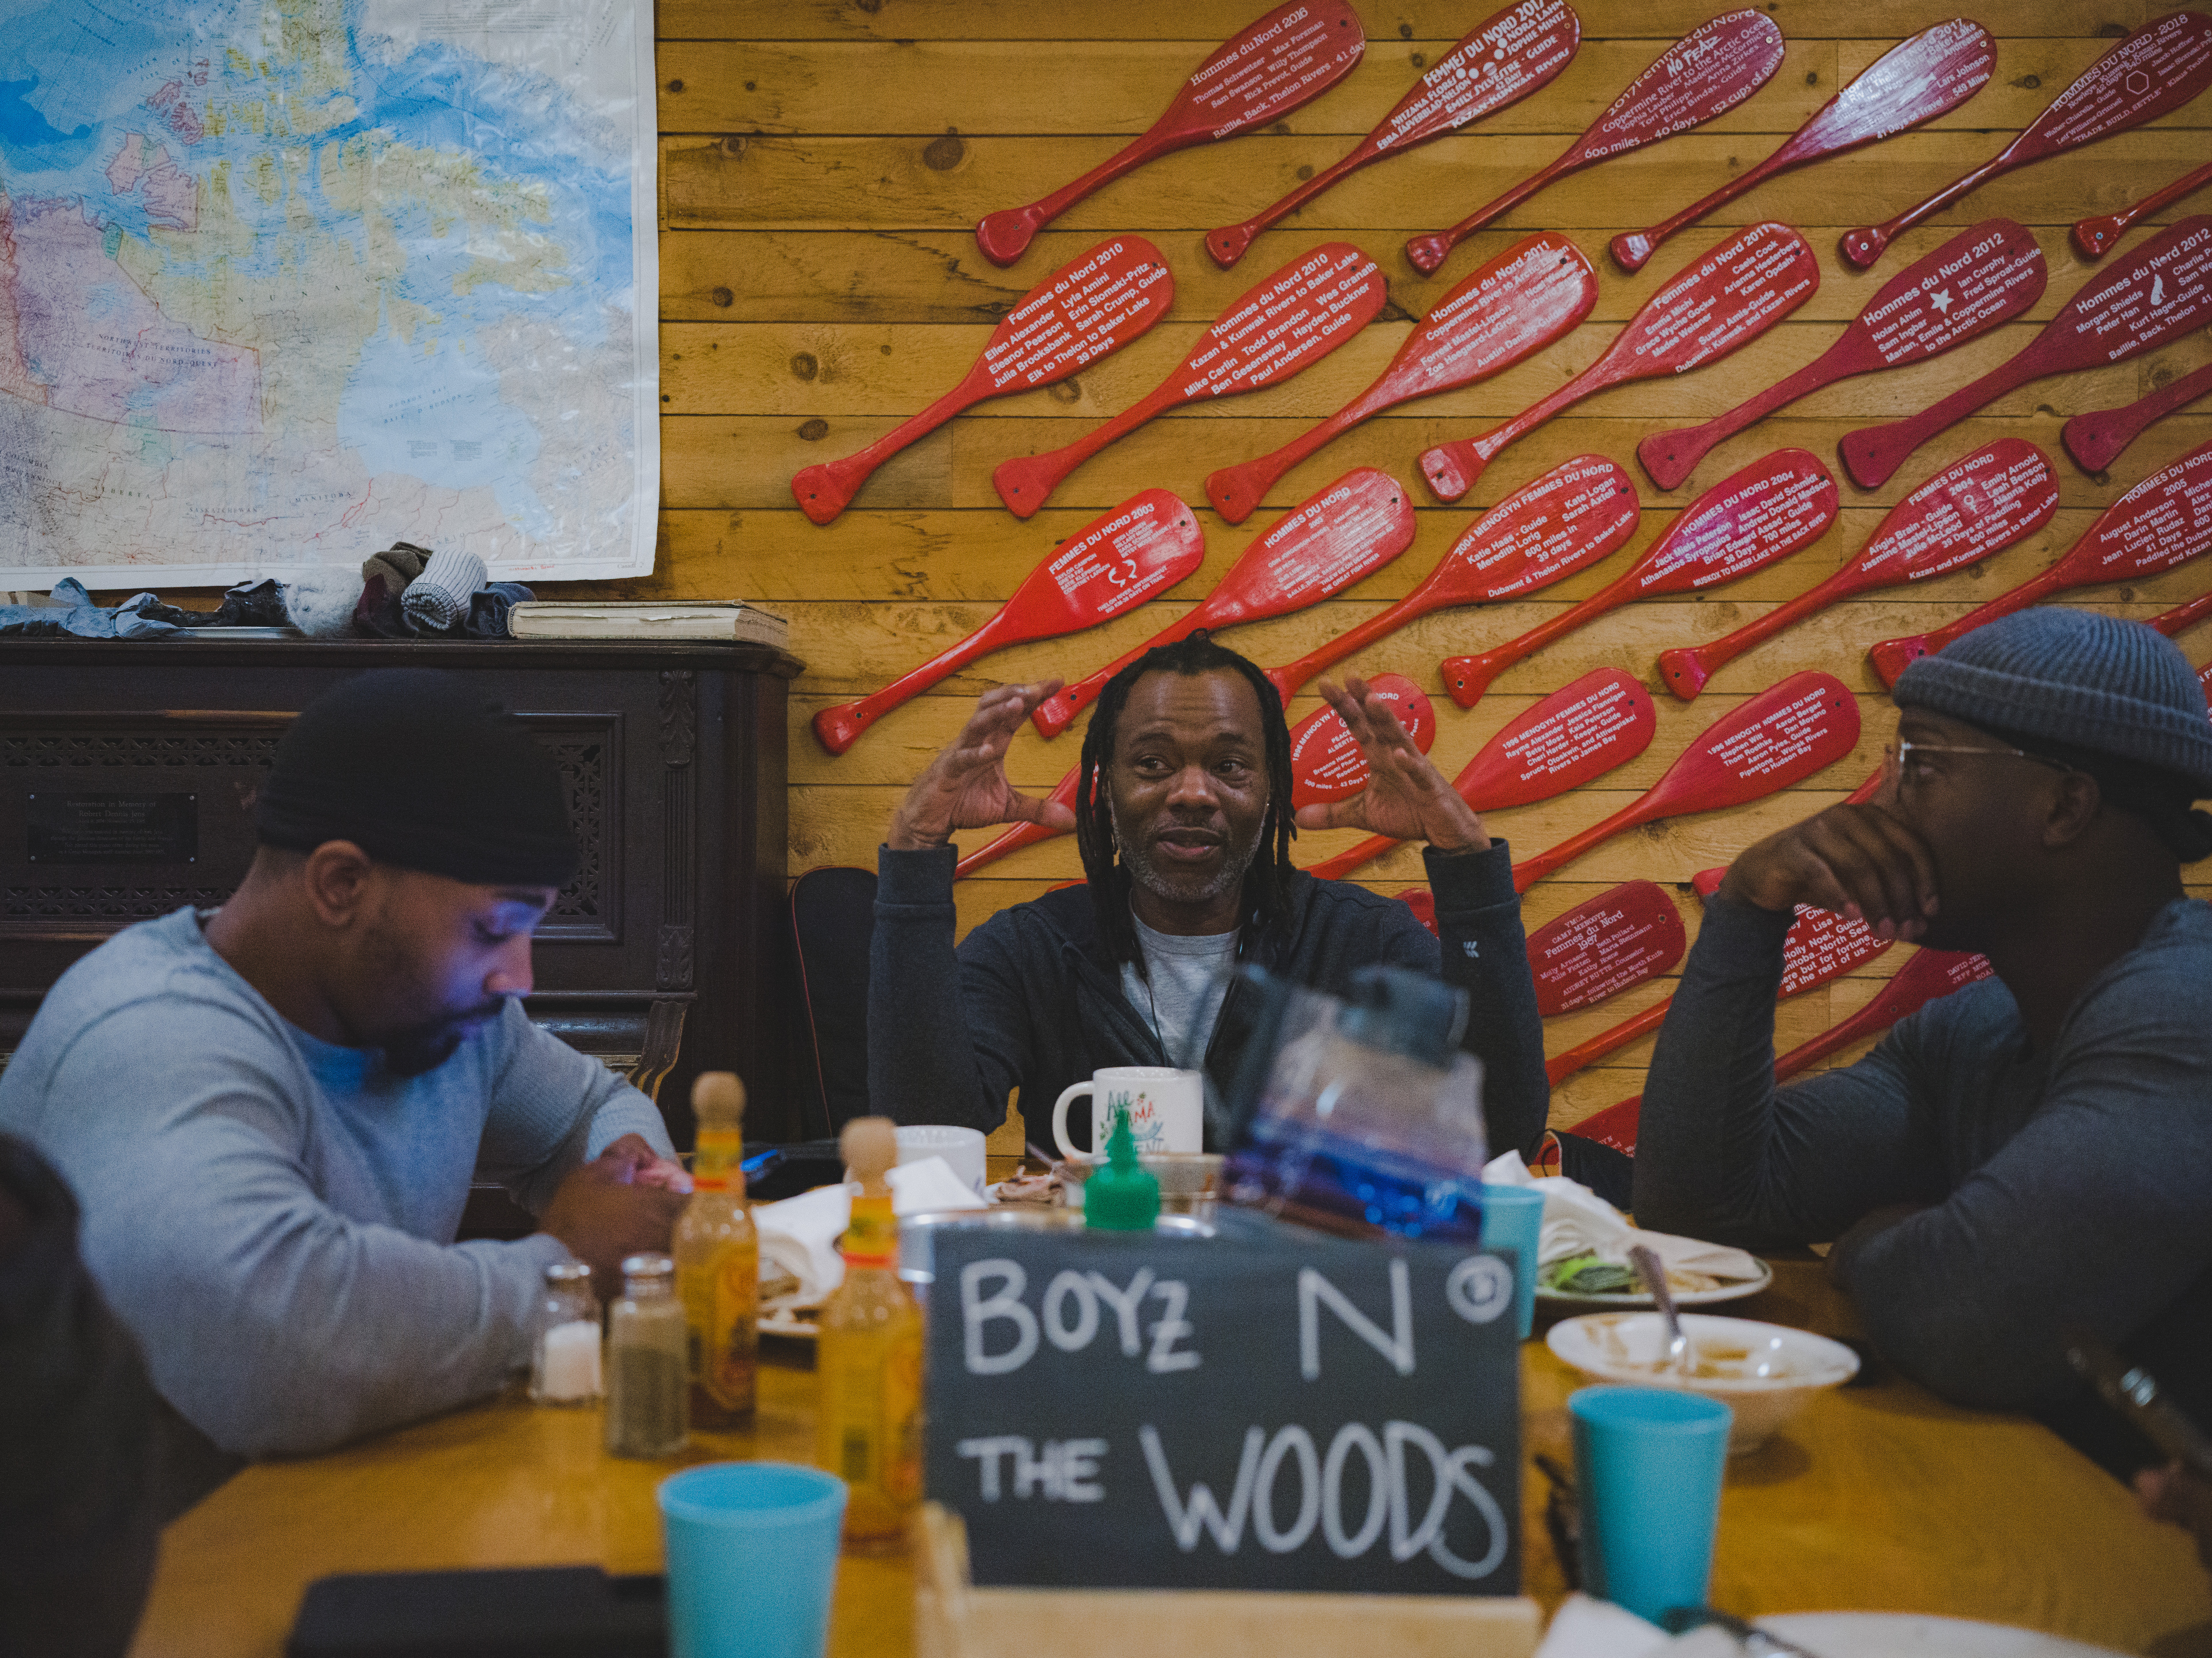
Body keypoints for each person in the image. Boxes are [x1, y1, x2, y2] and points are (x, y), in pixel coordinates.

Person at [0, 670, 689, 1474]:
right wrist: (563, 1270)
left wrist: (633, 1184)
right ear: (341, 884)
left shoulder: (441, 1017)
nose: (518, 976)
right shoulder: (150, 1036)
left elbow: (589, 1111)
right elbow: (269, 1340)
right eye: (493, 927)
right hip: (128, 1565)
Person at [1633, 608, 2212, 1477]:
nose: (1880, 801)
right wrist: (1749, 907)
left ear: (2061, 805)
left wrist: (1866, 1247)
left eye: (1921, 763)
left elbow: (1977, 1321)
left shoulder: (2185, 1008)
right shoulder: (1978, 1027)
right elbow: (1705, 1202)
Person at [867, 632, 1549, 1162]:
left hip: (1297, 1302)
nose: (1192, 792)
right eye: (1153, 764)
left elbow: (1499, 1135)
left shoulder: (1359, 940)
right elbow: (926, 1128)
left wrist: (1466, 868)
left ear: (1270, 788)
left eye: (1228, 766)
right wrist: (916, 852)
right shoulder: (1030, 950)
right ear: (1104, 790)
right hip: (1094, 1303)